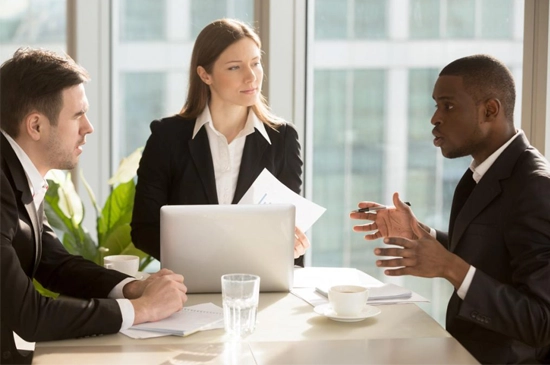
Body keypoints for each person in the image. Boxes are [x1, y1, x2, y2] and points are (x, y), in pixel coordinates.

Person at [351, 54, 550, 364]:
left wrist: (449, 268)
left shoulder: (536, 186)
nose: (435, 118)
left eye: (448, 106)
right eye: (436, 106)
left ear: (490, 110)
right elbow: (495, 257)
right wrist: (422, 234)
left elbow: (542, 323)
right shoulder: (483, 172)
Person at [0, 47, 188, 365]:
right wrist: (142, 310)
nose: (89, 127)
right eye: (77, 116)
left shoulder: (17, 172)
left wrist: (133, 288)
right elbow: (28, 315)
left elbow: (54, 263)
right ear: (35, 126)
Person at [131, 18, 310, 265]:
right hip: (188, 286)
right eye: (235, 67)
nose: (251, 77)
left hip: (258, 286)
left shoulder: (283, 139)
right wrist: (205, 261)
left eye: (256, 63)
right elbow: (144, 229)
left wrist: (293, 247)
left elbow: (289, 228)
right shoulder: (167, 137)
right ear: (205, 75)